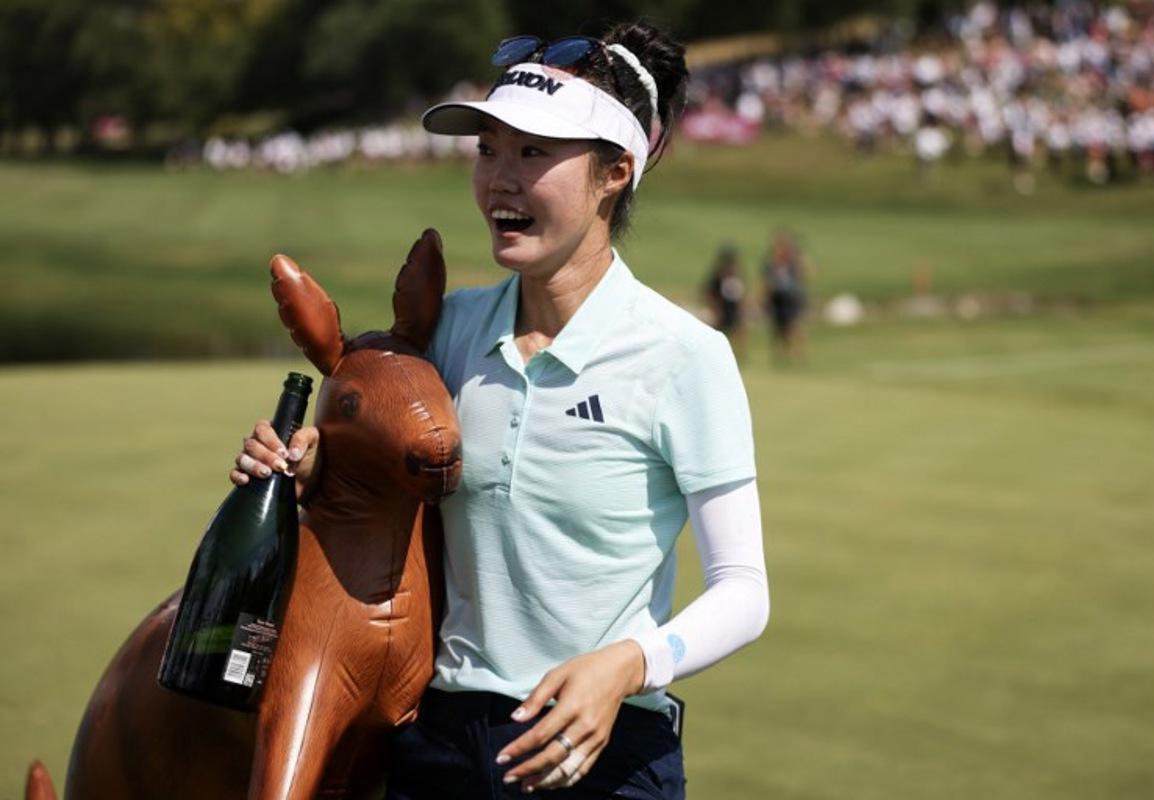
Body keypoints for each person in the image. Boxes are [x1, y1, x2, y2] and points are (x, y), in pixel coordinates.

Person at [233, 22, 768, 799]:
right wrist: (305, 464)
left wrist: (626, 666)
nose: (500, 181)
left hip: (602, 751)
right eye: (489, 150)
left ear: (615, 172)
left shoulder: (684, 356)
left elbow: (744, 590)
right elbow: (365, 475)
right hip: (438, 744)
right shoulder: (445, 333)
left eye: (534, 153)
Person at [762, 229, 809, 365]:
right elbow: (766, 281)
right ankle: (781, 355)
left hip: (792, 298)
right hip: (777, 299)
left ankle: (798, 354)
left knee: (794, 326)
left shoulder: (793, 262)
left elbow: (806, 273)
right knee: (778, 328)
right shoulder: (771, 262)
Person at [703, 243, 746, 361]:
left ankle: (738, 356)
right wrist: (715, 309)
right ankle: (717, 355)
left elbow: (741, 293)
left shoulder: (737, 275)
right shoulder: (717, 277)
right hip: (721, 309)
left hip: (734, 309)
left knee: (738, 332)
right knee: (719, 334)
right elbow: (709, 294)